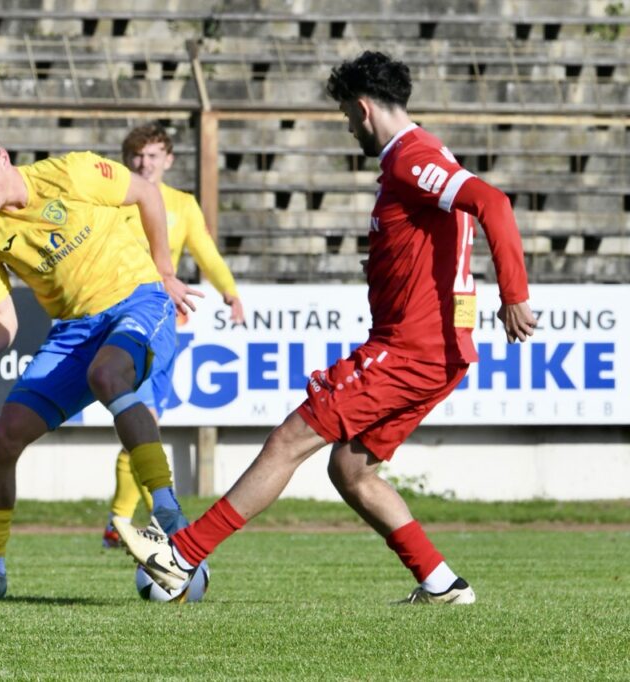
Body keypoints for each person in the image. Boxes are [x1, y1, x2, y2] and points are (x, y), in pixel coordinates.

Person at [116, 51, 538, 605]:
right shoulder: (425, 155)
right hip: (436, 352)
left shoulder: (411, 158)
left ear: (364, 109)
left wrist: (515, 295)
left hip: (410, 350)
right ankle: (442, 584)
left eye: (344, 115)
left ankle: (182, 556)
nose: (346, 126)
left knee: (290, 439)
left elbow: (493, 203)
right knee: (352, 469)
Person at [0, 122, 202, 600]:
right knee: (3, 437)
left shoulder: (73, 173)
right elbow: (3, 319)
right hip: (72, 333)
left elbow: (146, 193)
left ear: (3, 157)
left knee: (106, 374)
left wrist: (166, 270)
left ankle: (168, 513)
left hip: (139, 301)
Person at [101, 122, 245, 549]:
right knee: (143, 419)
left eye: (152, 155)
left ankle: (121, 519)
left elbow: (204, 250)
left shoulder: (182, 205)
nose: (144, 163)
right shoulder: (112, 198)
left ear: (168, 160)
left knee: (145, 421)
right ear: (127, 160)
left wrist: (230, 291)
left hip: (162, 323)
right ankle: (156, 517)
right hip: (122, 320)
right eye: (137, 155)